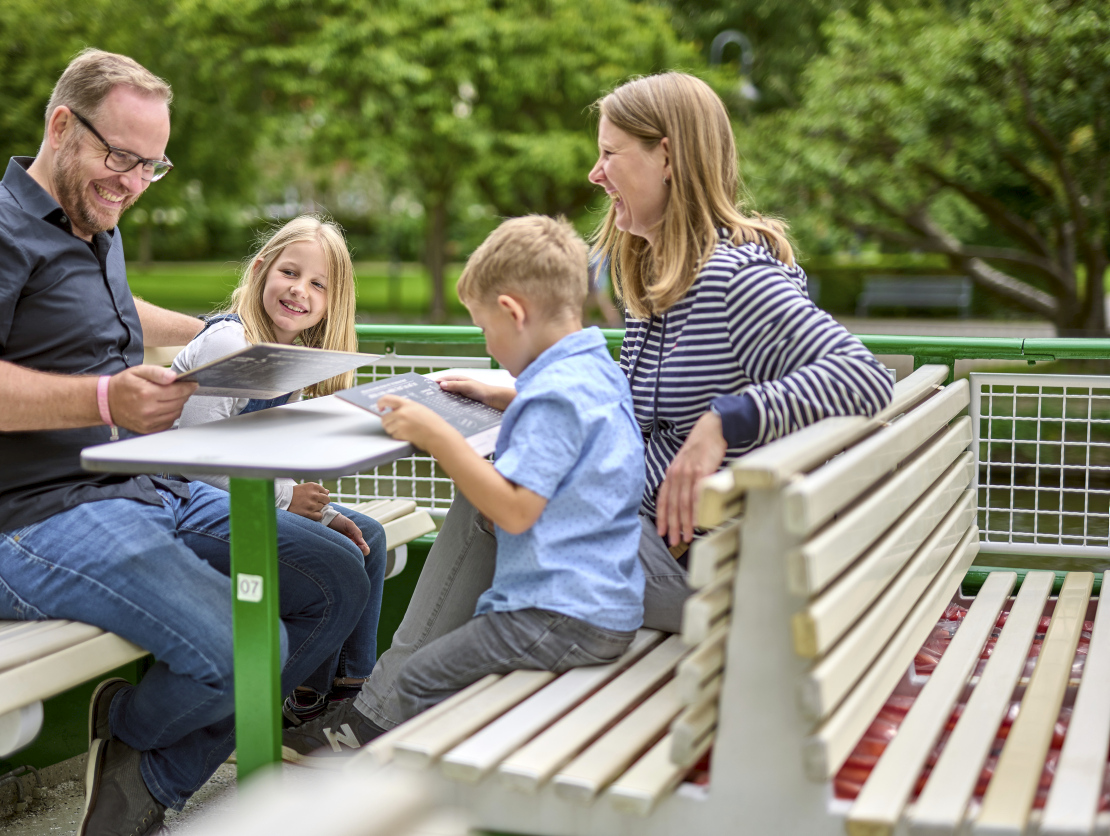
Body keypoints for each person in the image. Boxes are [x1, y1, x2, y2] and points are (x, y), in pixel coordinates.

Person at [281, 71, 894, 762]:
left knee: (498, 500)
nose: (595, 173)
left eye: (611, 154)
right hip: (654, 538)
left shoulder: (732, 278)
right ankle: (392, 708)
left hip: (697, 568)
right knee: (501, 479)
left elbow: (863, 378)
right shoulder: (663, 272)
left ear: (668, 156)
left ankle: (379, 718)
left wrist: (724, 422)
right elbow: (631, 408)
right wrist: (513, 398)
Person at [0, 50, 355, 834]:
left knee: (335, 577)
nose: (134, 183)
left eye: (151, 166)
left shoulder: (95, 227)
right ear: (62, 125)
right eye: (121, 158)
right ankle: (140, 751)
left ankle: (140, 772)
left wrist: (214, 331)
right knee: (248, 648)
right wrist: (104, 395)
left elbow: (107, 313)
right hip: (26, 526)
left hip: (138, 494)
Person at [364, 215, 644, 720]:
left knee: (420, 680)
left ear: (513, 312)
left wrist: (439, 437)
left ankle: (446, 796)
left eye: (485, 329)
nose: (488, 347)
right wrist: (505, 393)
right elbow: (572, 419)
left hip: (556, 614)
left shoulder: (551, 399)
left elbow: (515, 512)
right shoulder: (594, 366)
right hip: (603, 604)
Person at [172, 215, 386, 727]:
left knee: (369, 538)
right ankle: (293, 711)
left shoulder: (284, 358)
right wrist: (289, 499)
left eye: (318, 284)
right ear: (262, 269)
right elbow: (194, 459)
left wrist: (322, 510)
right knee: (338, 559)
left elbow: (259, 460)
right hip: (179, 507)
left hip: (234, 501)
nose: (299, 291)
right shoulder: (231, 343)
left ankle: (334, 699)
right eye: (290, 273)